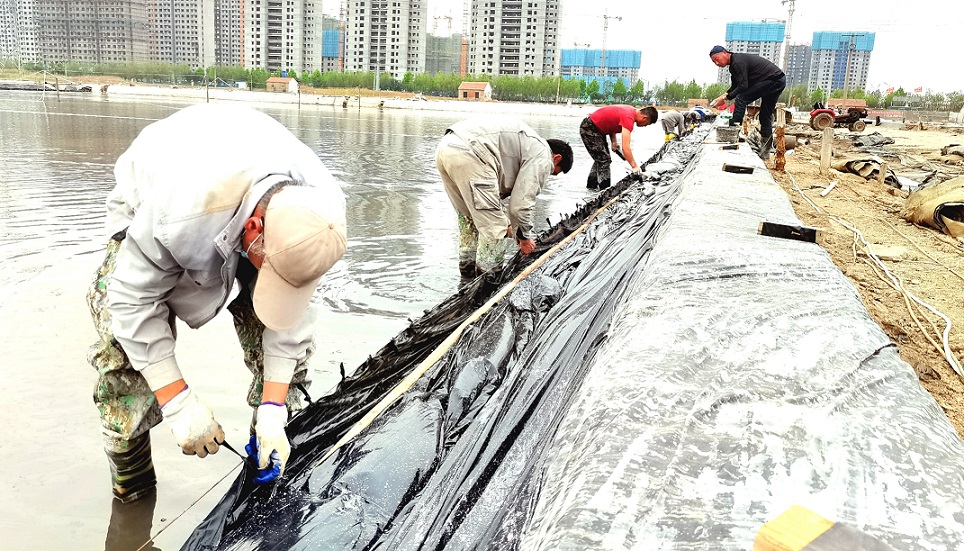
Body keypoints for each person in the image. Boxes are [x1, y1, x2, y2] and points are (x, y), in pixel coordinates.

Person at [86, 103, 348, 503]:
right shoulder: (179, 210)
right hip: (160, 203)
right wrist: (177, 401)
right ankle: (133, 491)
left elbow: (295, 309)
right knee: (122, 360)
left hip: (253, 198)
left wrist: (274, 406)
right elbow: (131, 301)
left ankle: (268, 457)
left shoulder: (320, 214)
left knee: (286, 372)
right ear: (254, 229)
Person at [435, 116, 574, 278]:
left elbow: (496, 201)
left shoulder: (527, 144)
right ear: (557, 158)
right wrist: (524, 237)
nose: (548, 174)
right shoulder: (543, 155)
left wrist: (512, 226)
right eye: (553, 172)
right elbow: (521, 204)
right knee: (495, 229)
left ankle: (466, 277)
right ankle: (487, 283)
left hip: (446, 147)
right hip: (471, 153)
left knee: (469, 219)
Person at [708, 45, 787, 158]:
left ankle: (733, 131)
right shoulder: (734, 65)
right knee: (764, 116)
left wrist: (726, 98)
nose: (716, 63)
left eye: (717, 58)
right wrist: (722, 97)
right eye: (713, 61)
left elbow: (743, 86)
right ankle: (765, 151)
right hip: (778, 80)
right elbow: (735, 86)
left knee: (741, 98)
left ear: (725, 52)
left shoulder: (737, 62)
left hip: (773, 80)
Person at [579, 105, 658, 190]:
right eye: (647, 124)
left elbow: (611, 123)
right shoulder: (629, 118)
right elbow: (625, 147)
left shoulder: (631, 111)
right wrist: (634, 166)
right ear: (644, 118)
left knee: (601, 159)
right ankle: (604, 189)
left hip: (596, 128)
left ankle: (591, 187)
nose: (645, 126)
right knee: (604, 160)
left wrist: (614, 142)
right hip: (589, 127)